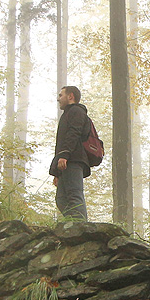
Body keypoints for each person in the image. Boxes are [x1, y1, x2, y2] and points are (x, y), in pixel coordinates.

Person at [50, 85, 91, 221]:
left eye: (61, 95)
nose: (58, 98)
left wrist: (65, 155)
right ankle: (75, 225)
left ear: (70, 96)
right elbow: (62, 142)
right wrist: (56, 172)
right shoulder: (68, 114)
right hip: (65, 163)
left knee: (74, 195)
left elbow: (74, 133)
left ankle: (82, 228)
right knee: (61, 199)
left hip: (73, 161)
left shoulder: (77, 112)